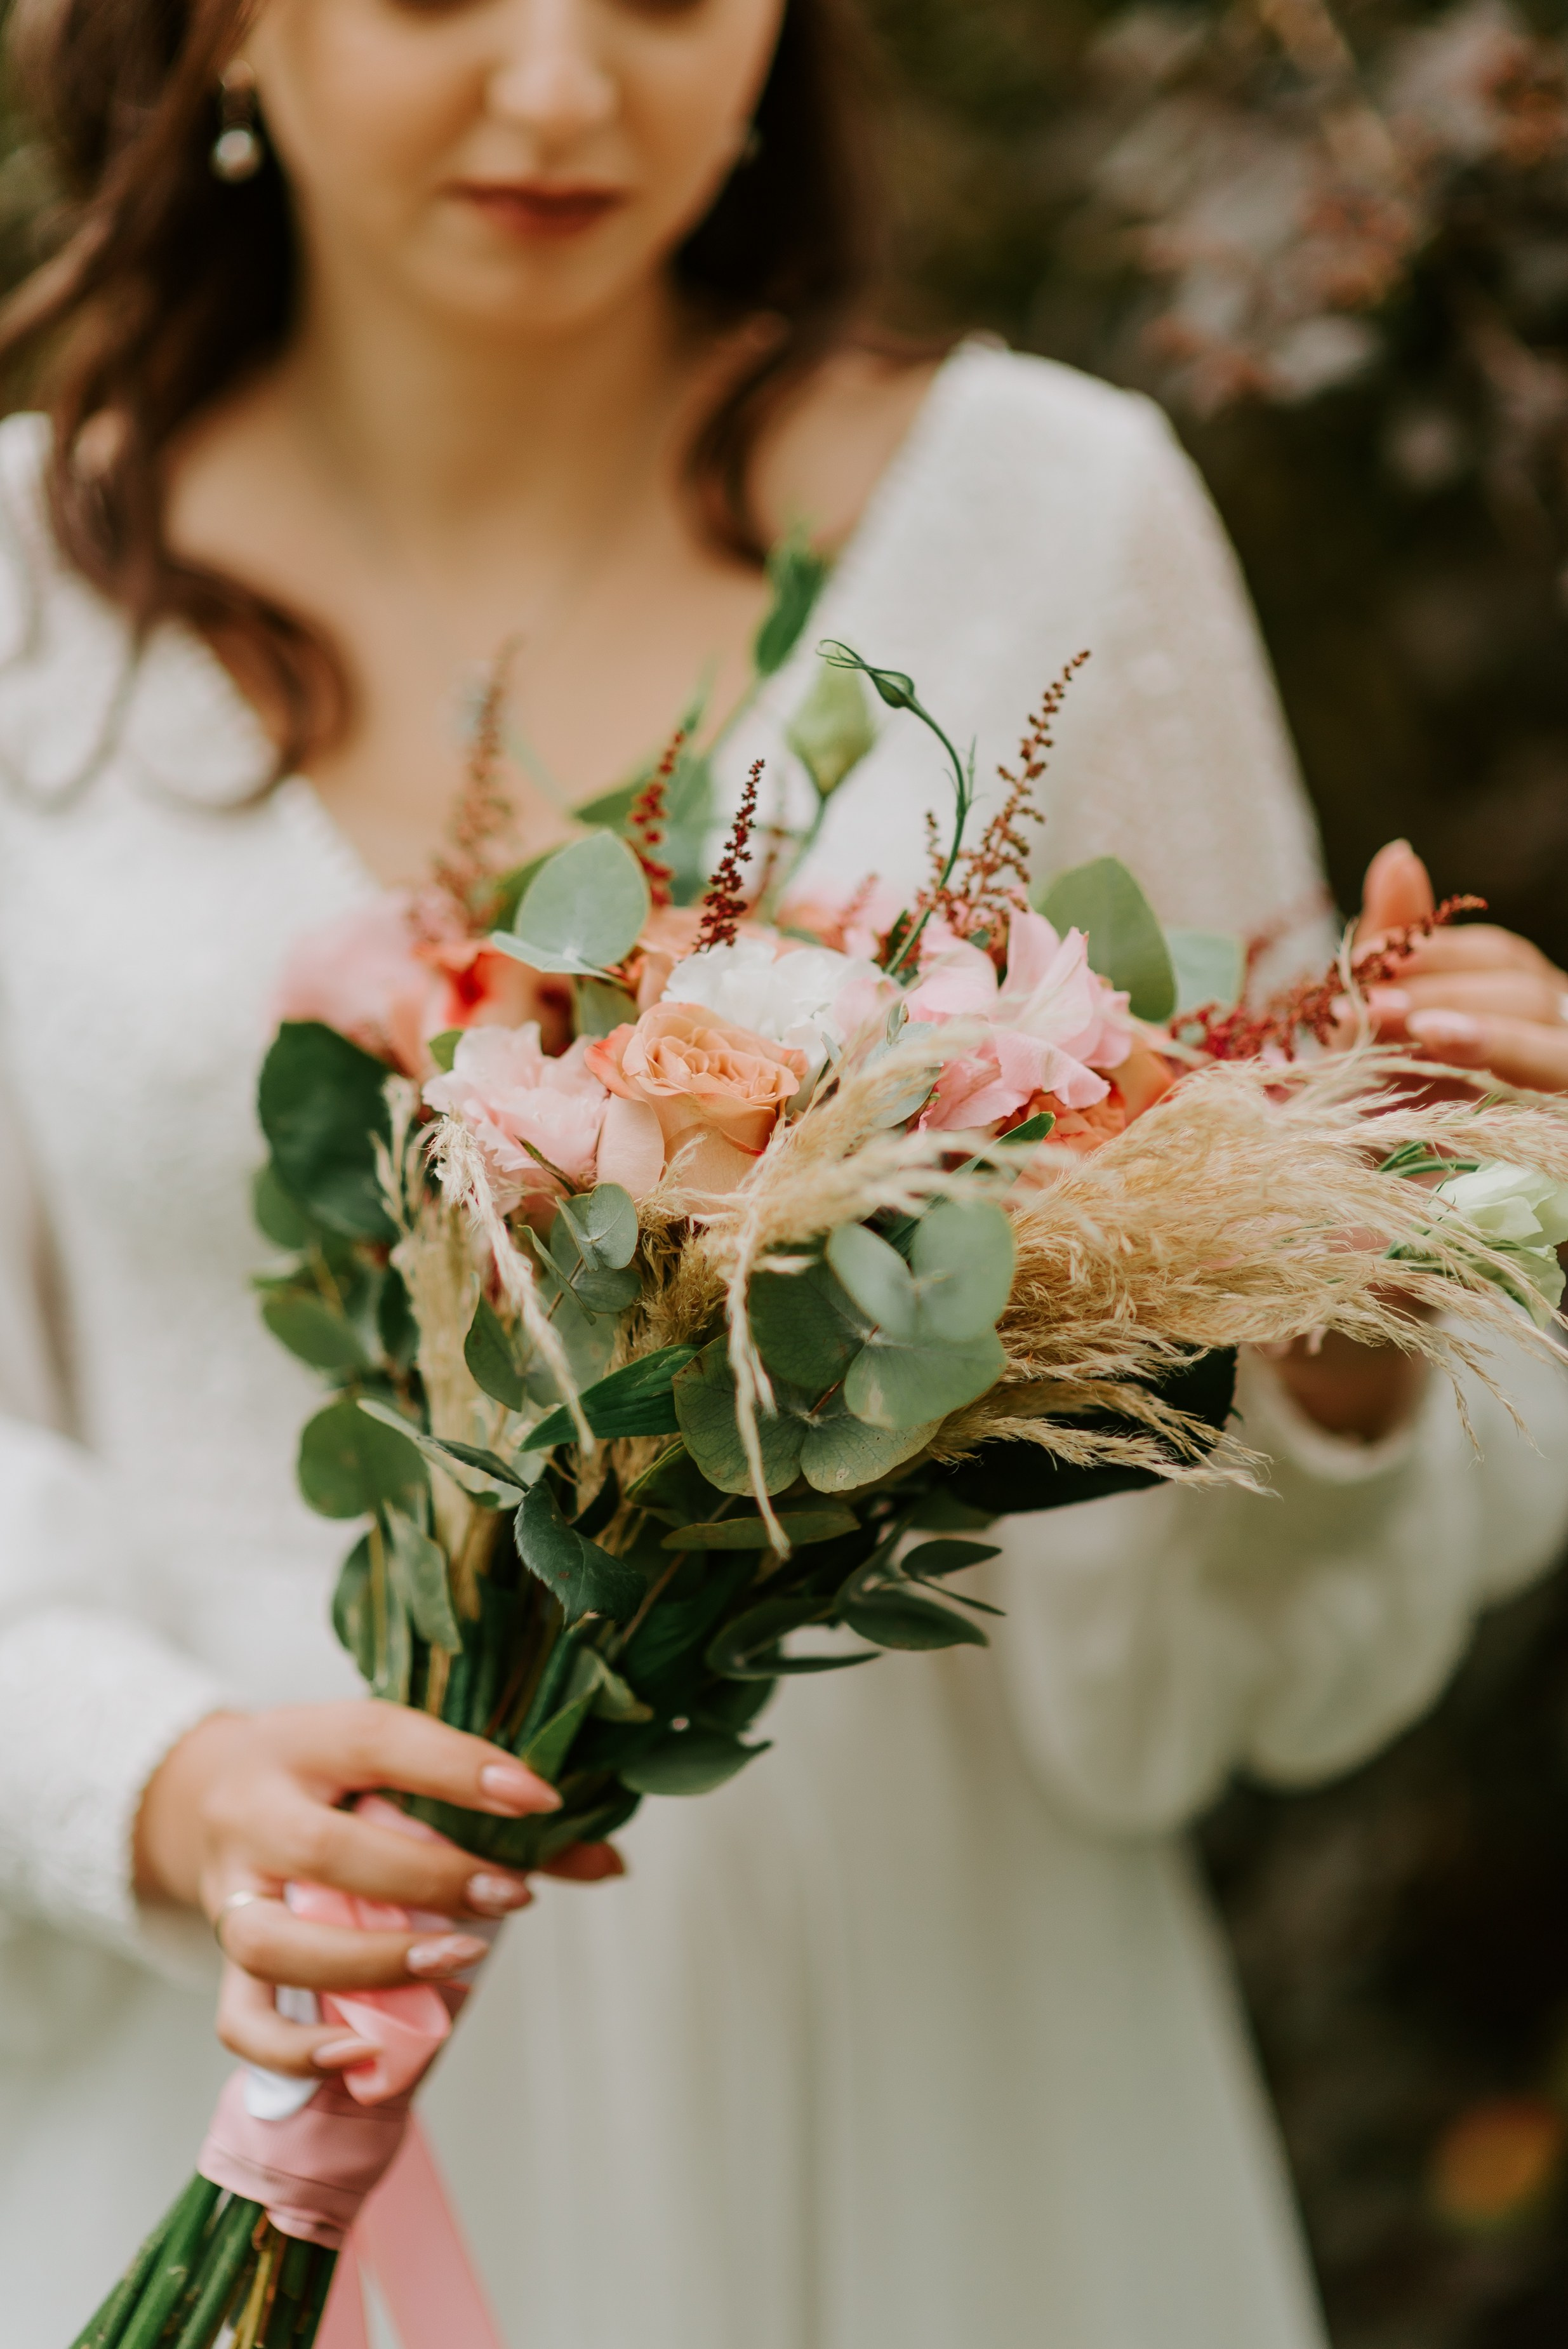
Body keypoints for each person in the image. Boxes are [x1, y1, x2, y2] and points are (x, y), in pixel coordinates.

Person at [0, 1, 1565, 2344]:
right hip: (238, 1999)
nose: (561, 85)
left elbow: (1188, 1564)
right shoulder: (19, 592)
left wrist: (1348, 1312)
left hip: (937, 2033)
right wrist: (149, 1785)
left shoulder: (1053, 515)